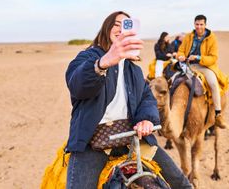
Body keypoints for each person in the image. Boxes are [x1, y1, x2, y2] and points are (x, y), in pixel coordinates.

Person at [65, 11, 193, 189]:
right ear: (107, 28)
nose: (120, 28)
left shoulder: (133, 70)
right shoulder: (88, 58)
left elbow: (146, 98)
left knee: (181, 183)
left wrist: (146, 119)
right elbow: (77, 86)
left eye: (126, 24)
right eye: (116, 24)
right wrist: (103, 63)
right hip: (93, 141)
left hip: (132, 138)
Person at [177, 14, 229, 129]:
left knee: (213, 85)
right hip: (188, 65)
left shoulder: (212, 38)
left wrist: (198, 58)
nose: (199, 27)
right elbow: (181, 51)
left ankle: (218, 115)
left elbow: (213, 57)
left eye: (201, 24)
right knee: (170, 81)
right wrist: (180, 56)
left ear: (205, 25)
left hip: (204, 66)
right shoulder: (189, 36)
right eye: (197, 24)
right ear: (194, 24)